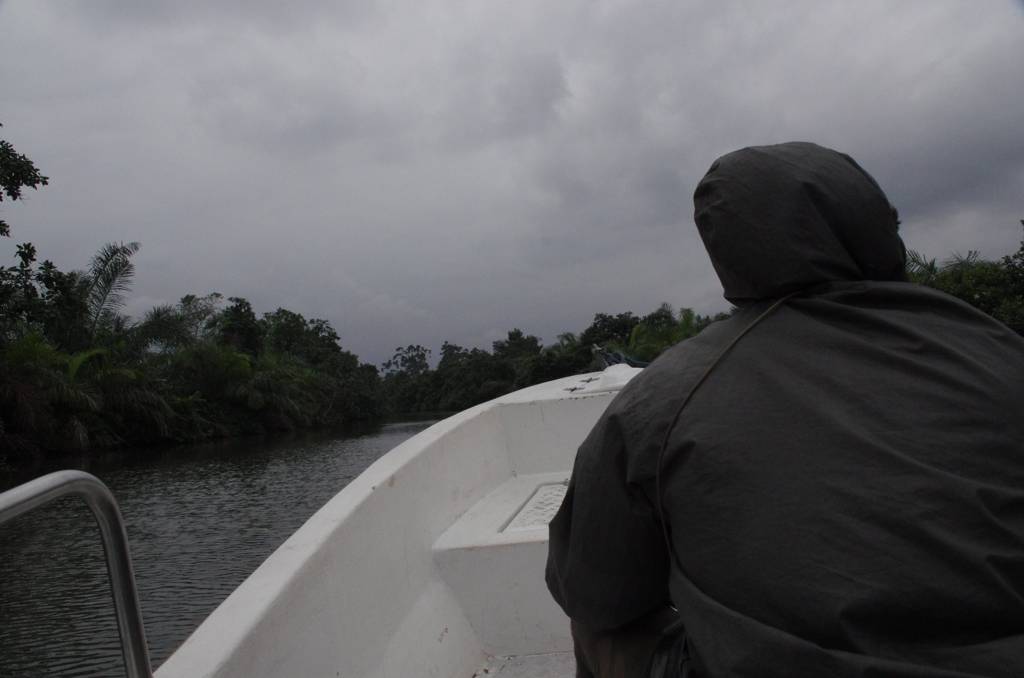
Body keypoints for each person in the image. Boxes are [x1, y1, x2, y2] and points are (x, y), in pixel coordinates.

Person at [546, 141, 1024, 678]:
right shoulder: (999, 348)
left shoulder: (663, 397)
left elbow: (592, 591)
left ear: (728, 250)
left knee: (598, 627)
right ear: (873, 224)